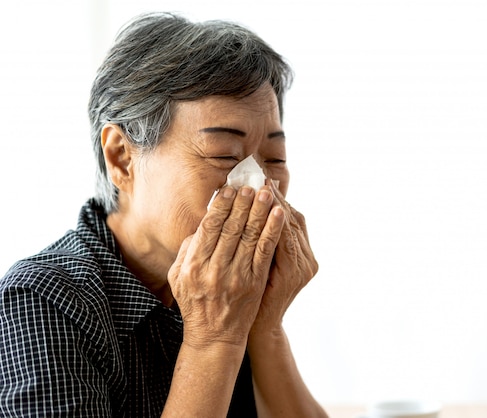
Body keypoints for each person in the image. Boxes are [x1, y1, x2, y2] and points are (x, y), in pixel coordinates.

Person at [0, 12, 327, 418]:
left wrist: (265, 327)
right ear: (121, 157)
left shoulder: (232, 286)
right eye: (225, 155)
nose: (260, 186)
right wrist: (213, 339)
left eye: (274, 158)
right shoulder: (46, 298)